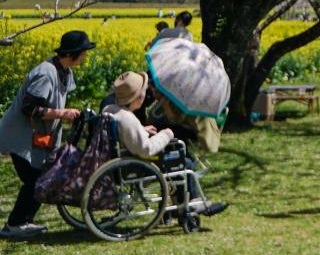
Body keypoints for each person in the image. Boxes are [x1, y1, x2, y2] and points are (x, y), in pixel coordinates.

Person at [0, 30, 94, 240]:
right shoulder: (46, 73)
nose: (85, 56)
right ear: (72, 54)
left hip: (35, 137)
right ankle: (14, 225)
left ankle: (23, 221)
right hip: (19, 136)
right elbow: (29, 109)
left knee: (41, 178)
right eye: (83, 52)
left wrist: (64, 113)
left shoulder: (65, 71)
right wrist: (62, 113)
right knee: (36, 180)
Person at [103, 71, 226, 217]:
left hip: (125, 160)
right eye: (144, 90)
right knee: (182, 160)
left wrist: (142, 129)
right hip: (136, 164)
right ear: (138, 97)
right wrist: (167, 134)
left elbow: (129, 134)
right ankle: (194, 202)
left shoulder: (112, 111)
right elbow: (146, 149)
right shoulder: (128, 119)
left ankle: (181, 204)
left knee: (174, 156)